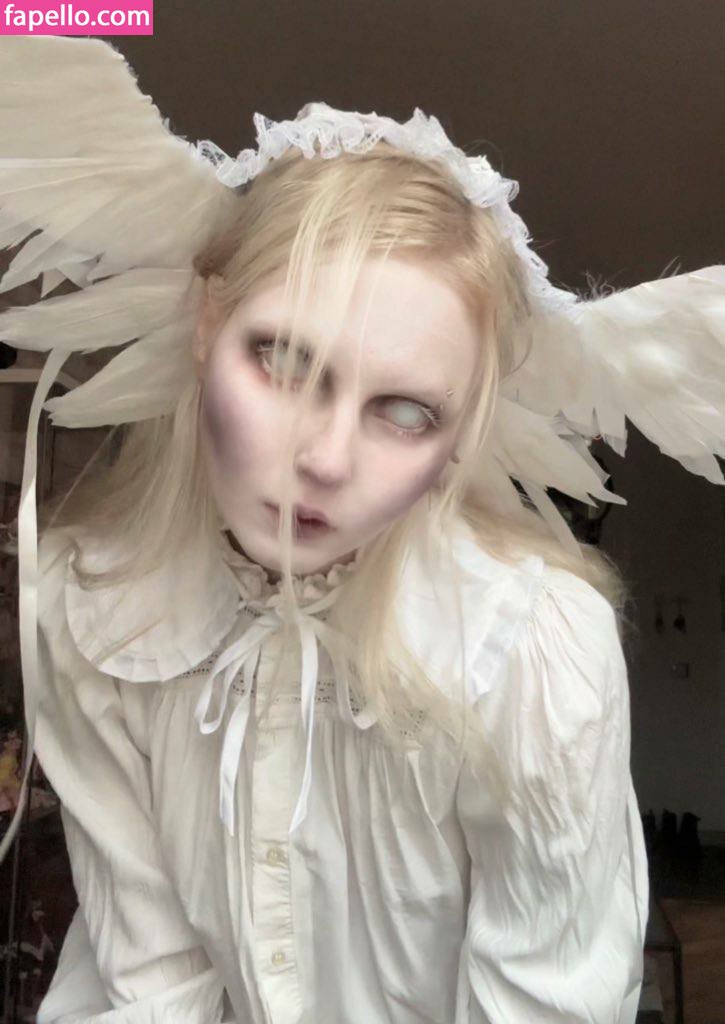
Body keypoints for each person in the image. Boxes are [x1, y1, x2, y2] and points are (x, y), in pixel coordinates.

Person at [1, 34, 723, 1024]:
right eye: (283, 362)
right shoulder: (97, 609)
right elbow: (151, 980)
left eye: (405, 411)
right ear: (206, 321)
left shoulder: (529, 649)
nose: (326, 458)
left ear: (456, 442)